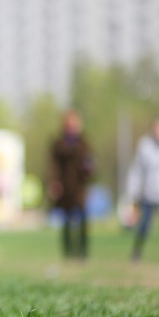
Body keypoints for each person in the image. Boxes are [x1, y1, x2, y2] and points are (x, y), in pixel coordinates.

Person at [126, 118, 159, 265]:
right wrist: (133, 191)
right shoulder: (144, 146)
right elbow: (137, 171)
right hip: (148, 192)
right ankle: (137, 252)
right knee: (144, 224)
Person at [48, 110, 94, 259]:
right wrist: (54, 183)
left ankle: (82, 252)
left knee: (83, 220)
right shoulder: (58, 143)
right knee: (66, 221)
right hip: (64, 187)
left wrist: (89, 170)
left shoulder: (84, 143)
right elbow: (53, 166)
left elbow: (90, 163)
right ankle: (68, 252)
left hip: (80, 187)